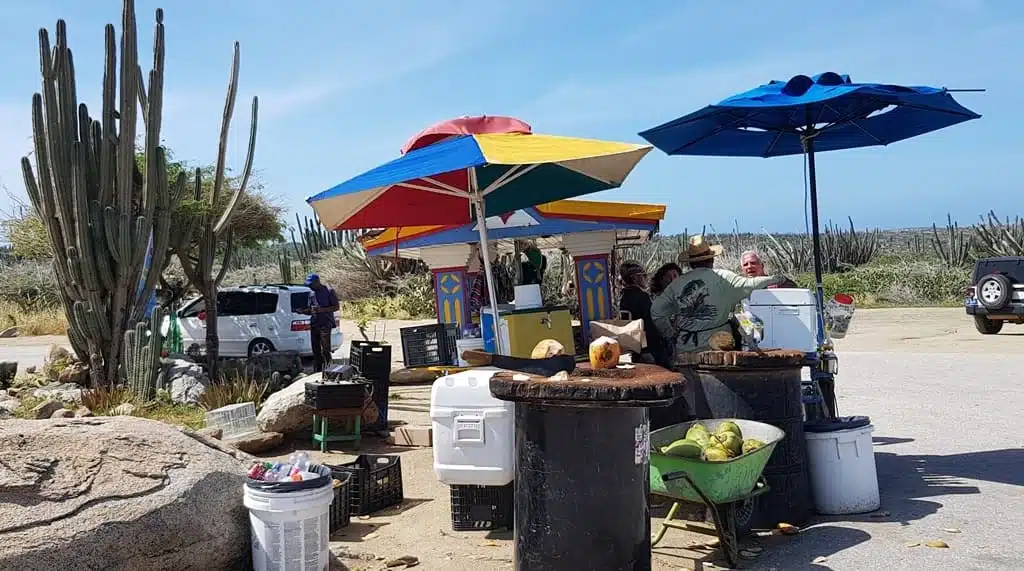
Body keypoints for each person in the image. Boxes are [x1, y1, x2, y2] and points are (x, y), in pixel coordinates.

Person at [652, 236, 789, 356]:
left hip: (685, 347)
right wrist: (777, 279)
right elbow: (750, 284)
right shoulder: (723, 277)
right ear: (711, 259)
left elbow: (656, 312)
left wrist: (670, 335)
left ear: (690, 262)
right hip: (718, 347)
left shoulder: (677, 283)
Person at [617, 261, 670, 368]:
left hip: (633, 345)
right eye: (644, 276)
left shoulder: (623, 297)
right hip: (648, 348)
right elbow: (650, 324)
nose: (646, 278)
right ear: (635, 278)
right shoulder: (642, 297)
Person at [298, 273, 339, 372]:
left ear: (317, 282)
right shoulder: (311, 294)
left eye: (311, 284)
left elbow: (336, 307)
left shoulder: (329, 291)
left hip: (325, 323)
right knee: (315, 350)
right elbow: (311, 310)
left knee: (325, 349)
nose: (310, 286)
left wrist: (321, 310)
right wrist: (303, 311)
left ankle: (329, 369)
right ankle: (317, 370)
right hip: (314, 324)